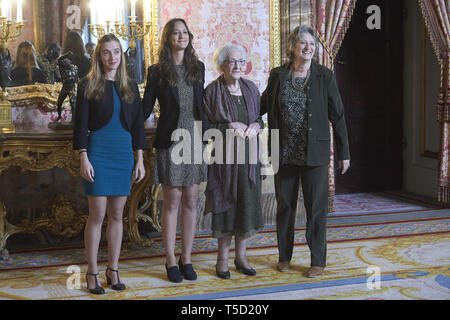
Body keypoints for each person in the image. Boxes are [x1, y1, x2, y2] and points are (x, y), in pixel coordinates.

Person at [261, 26, 351, 278]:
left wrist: (344, 152)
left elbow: (339, 115)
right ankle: (284, 257)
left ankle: (317, 261)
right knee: (285, 206)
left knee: (316, 209)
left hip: (315, 154)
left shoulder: (325, 76)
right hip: (284, 151)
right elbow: (264, 103)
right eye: (303, 43)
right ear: (293, 47)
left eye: (312, 44)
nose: (308, 47)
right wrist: (238, 113)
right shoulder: (278, 75)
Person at [73, 33, 146, 294]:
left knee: (118, 215)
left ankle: (113, 269)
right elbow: (80, 125)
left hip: (123, 154)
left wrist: (140, 159)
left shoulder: (130, 85)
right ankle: (92, 272)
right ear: (99, 56)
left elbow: (138, 126)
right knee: (97, 215)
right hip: (98, 153)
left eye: (116, 52)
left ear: (121, 56)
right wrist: (84, 157)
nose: (112, 57)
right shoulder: (88, 84)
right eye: (106, 52)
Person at [142, 18, 208, 283]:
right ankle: (170, 259)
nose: (181, 36)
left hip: (194, 139)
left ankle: (186, 257)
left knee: (191, 199)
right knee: (172, 201)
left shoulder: (198, 68)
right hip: (171, 140)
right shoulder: (157, 71)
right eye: (176, 33)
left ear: (189, 37)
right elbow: (145, 108)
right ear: (168, 38)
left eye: (185, 32)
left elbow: (204, 106)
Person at [203, 44, 264, 279]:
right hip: (224, 163)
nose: (237, 66)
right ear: (222, 65)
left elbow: (258, 117)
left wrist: (257, 125)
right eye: (232, 61)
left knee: (246, 207)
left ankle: (241, 257)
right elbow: (206, 128)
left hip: (249, 161)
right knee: (226, 207)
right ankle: (222, 260)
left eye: (241, 61)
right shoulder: (212, 92)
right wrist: (228, 126)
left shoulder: (251, 88)